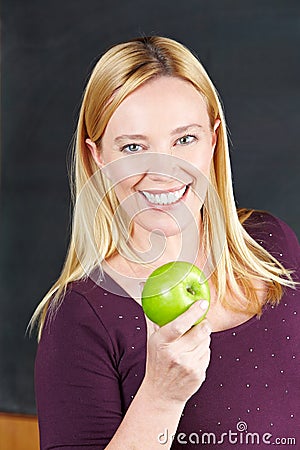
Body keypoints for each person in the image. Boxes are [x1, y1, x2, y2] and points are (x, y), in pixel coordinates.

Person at [31, 36, 299, 449]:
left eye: (184, 139)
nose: (163, 171)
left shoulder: (273, 245)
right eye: (134, 147)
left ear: (213, 140)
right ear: (98, 157)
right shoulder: (77, 318)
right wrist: (161, 395)